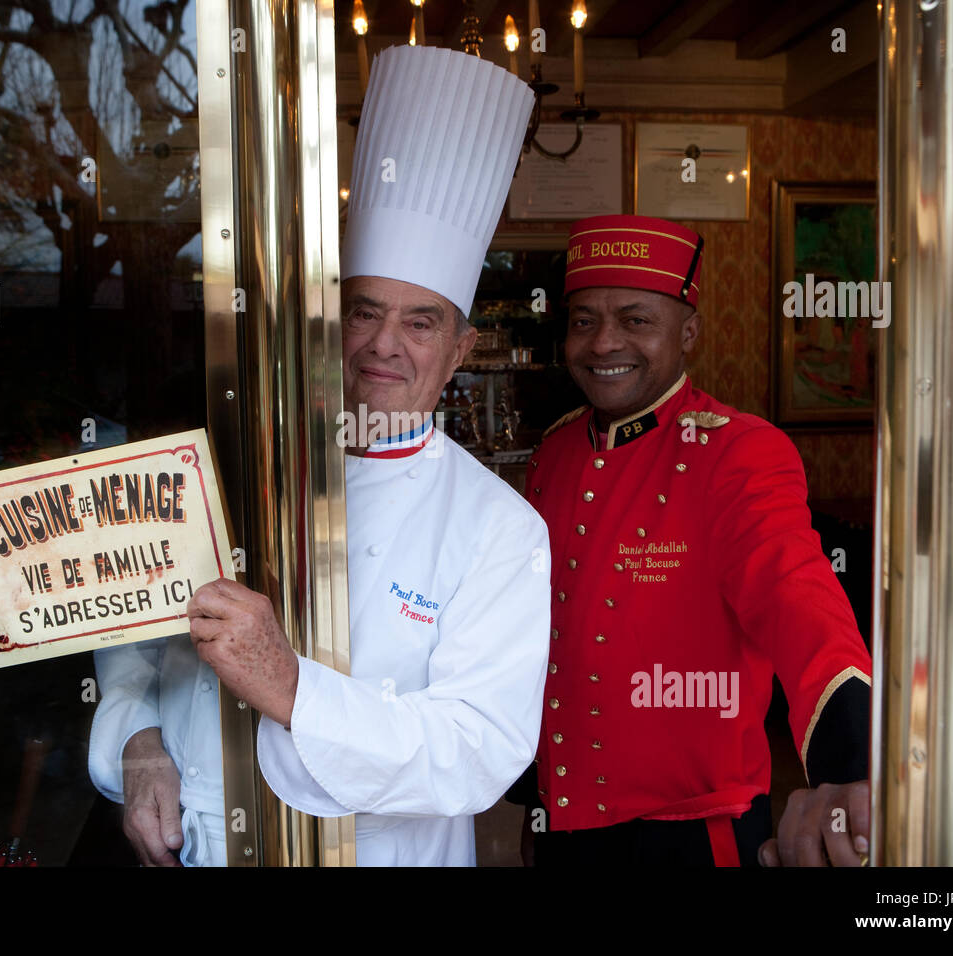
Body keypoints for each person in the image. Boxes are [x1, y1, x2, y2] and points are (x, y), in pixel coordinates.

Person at [89, 44, 550, 866]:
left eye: (420, 322)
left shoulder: (499, 528)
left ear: (460, 348)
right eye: (365, 311)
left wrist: (290, 686)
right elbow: (128, 629)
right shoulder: (219, 470)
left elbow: (477, 750)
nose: (383, 345)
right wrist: (137, 740)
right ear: (328, 321)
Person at [510, 214, 873, 867]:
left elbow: (796, 594)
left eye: (635, 320)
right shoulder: (556, 451)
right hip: (560, 817)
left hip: (689, 830)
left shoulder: (738, 452)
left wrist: (853, 759)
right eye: (584, 320)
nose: (602, 343)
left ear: (689, 333)